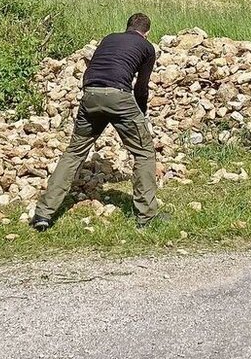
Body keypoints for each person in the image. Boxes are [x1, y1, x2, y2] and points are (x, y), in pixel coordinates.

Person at [31, 13, 160, 230]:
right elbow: (141, 87)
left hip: (90, 94)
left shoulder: (109, 38)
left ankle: (43, 214)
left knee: (74, 153)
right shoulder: (146, 48)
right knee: (144, 153)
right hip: (119, 96)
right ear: (147, 33)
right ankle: (147, 217)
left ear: (127, 27)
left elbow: (94, 68)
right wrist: (141, 113)